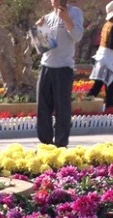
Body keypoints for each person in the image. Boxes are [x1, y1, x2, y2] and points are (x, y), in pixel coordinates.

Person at [33, 0, 84, 148]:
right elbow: (43, 47)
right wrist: (39, 29)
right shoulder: (47, 17)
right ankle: (46, 144)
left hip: (63, 67)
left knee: (62, 108)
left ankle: (61, 144)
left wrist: (67, 20)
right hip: (46, 66)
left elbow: (77, 36)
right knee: (42, 107)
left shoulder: (75, 13)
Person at [88, 2, 113, 113]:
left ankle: (85, 103)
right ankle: (110, 109)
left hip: (102, 58)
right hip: (107, 60)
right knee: (111, 86)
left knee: (98, 85)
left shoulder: (106, 25)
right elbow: (111, 45)